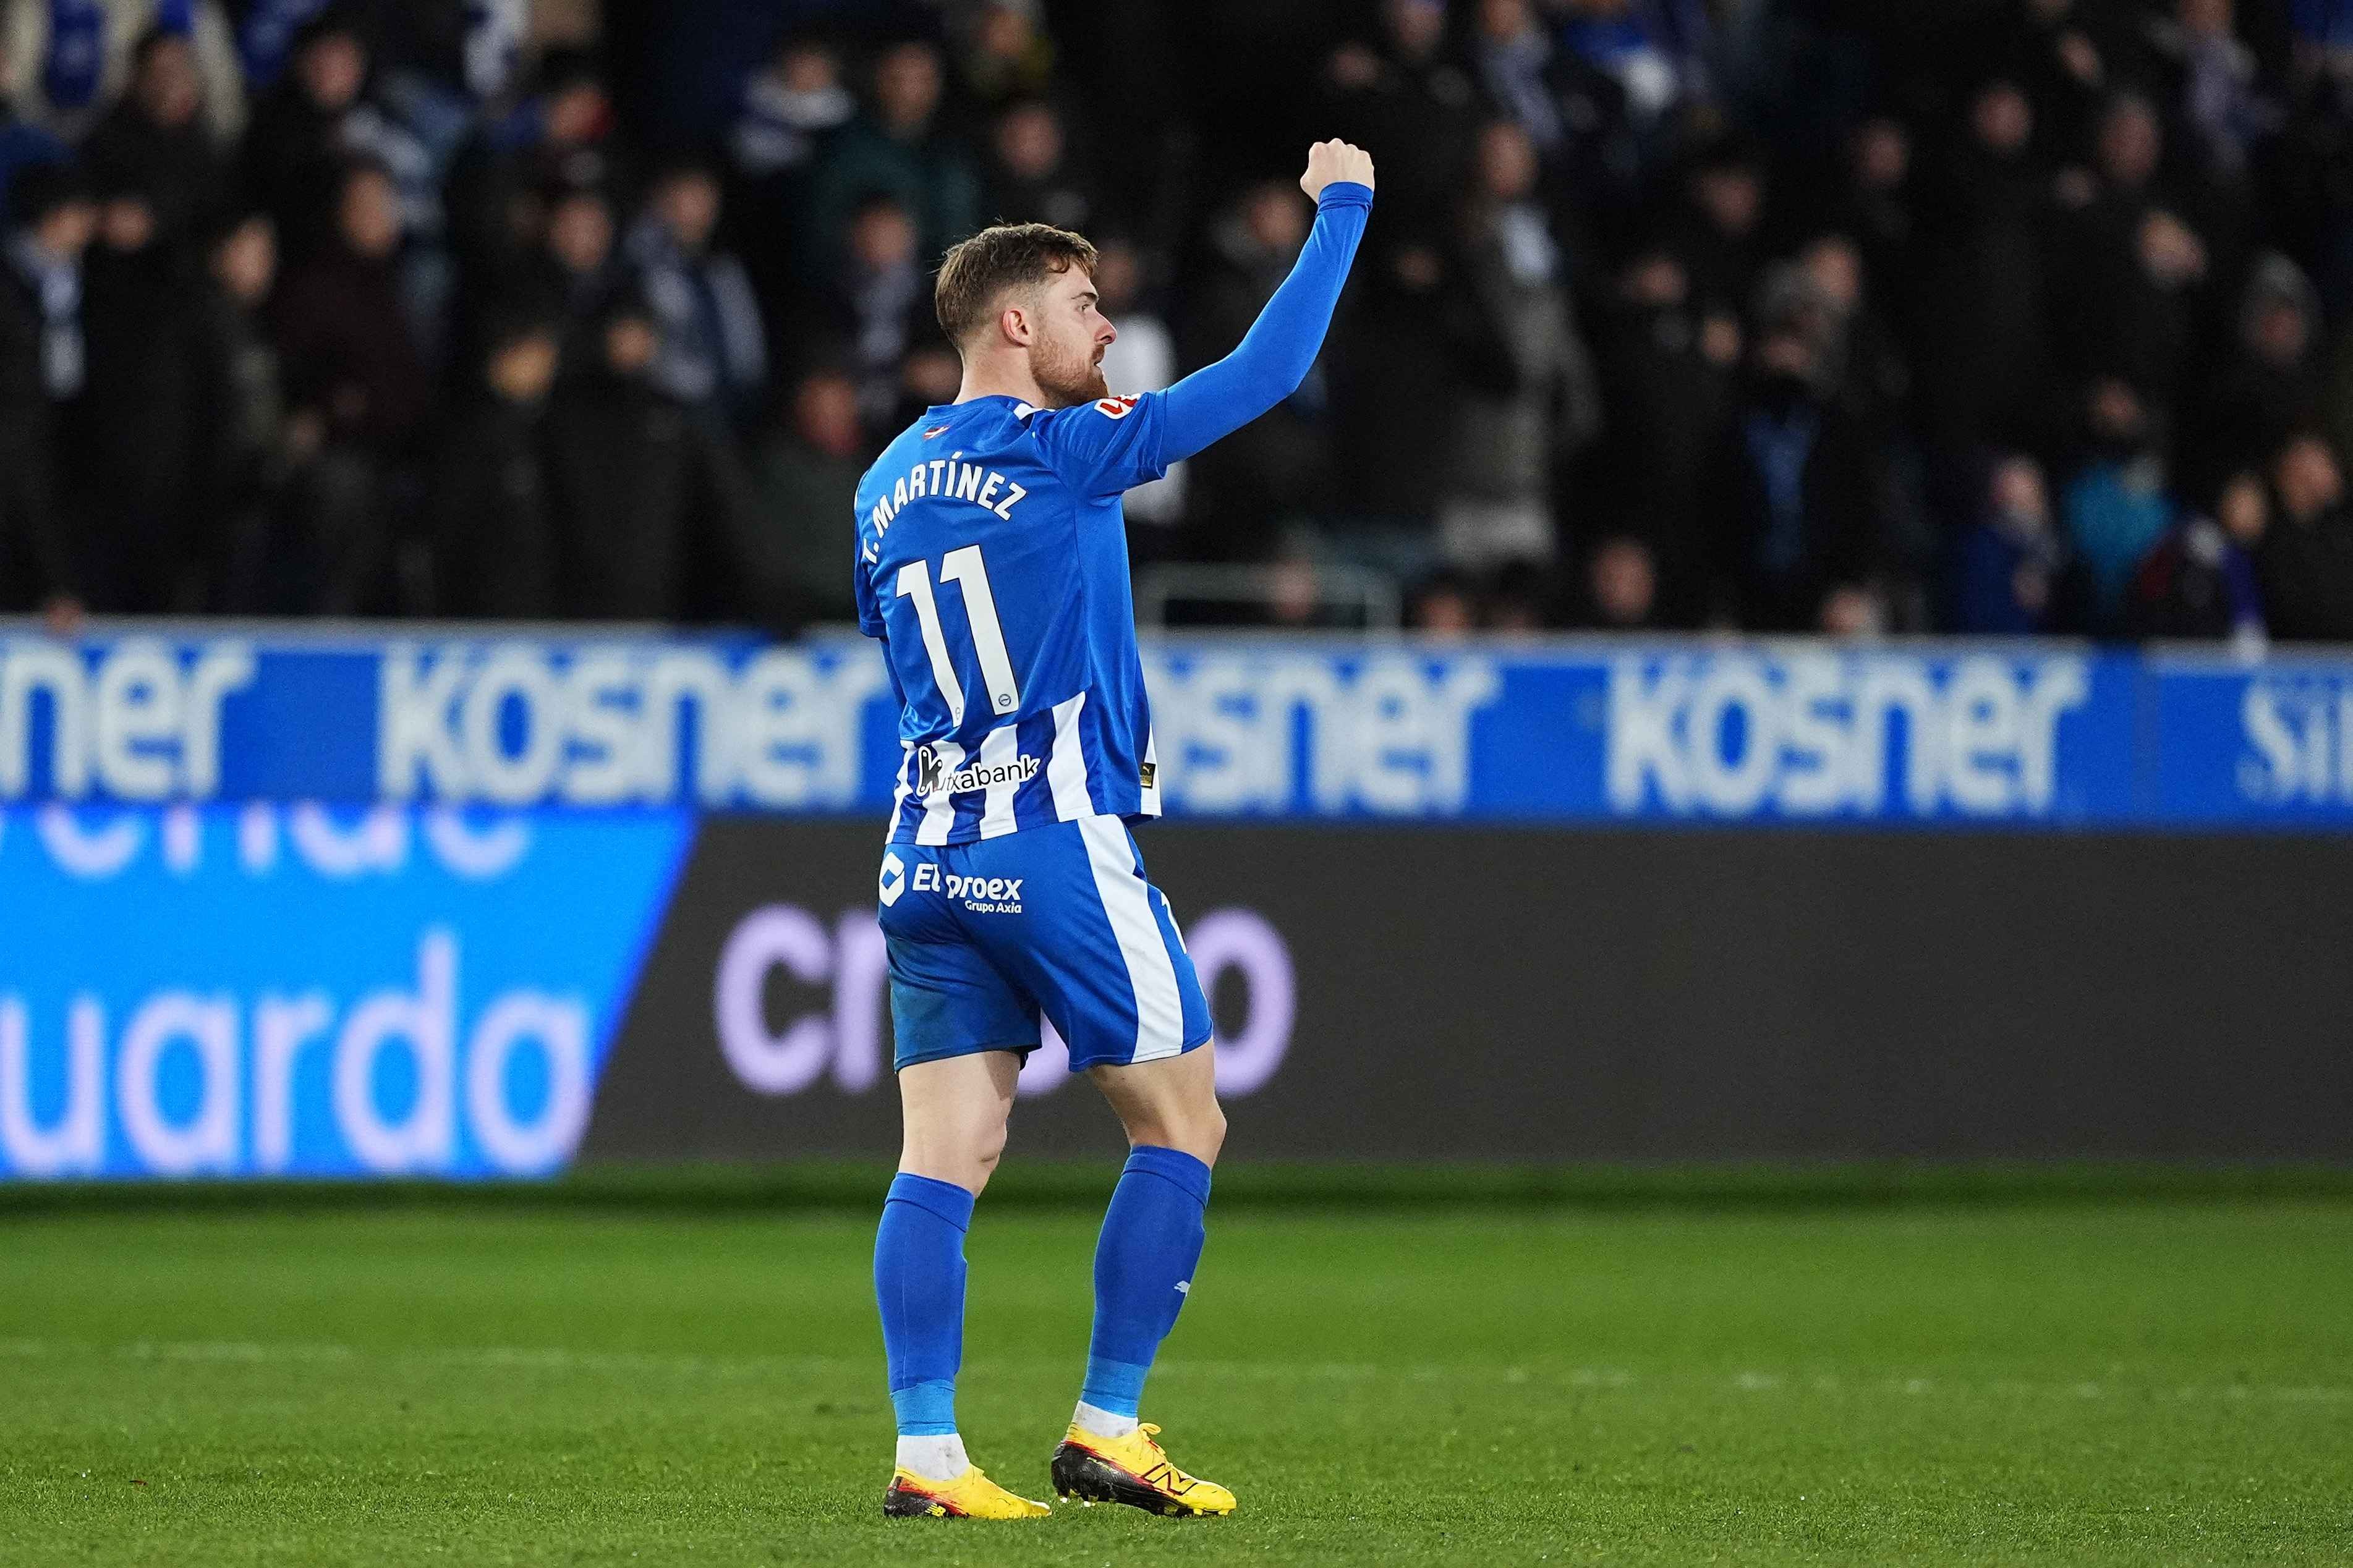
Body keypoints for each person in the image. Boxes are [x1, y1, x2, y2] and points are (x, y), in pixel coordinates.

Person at [854, 137, 1374, 1524]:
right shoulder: (1064, 452)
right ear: (1014, 322)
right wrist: (1341, 205)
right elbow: (1263, 379)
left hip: (922, 851)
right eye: (1086, 306)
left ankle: (927, 1454)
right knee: (1184, 1123)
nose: (1107, 327)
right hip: (1050, 837)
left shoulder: (883, 485)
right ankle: (1106, 1426)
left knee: (943, 1157)